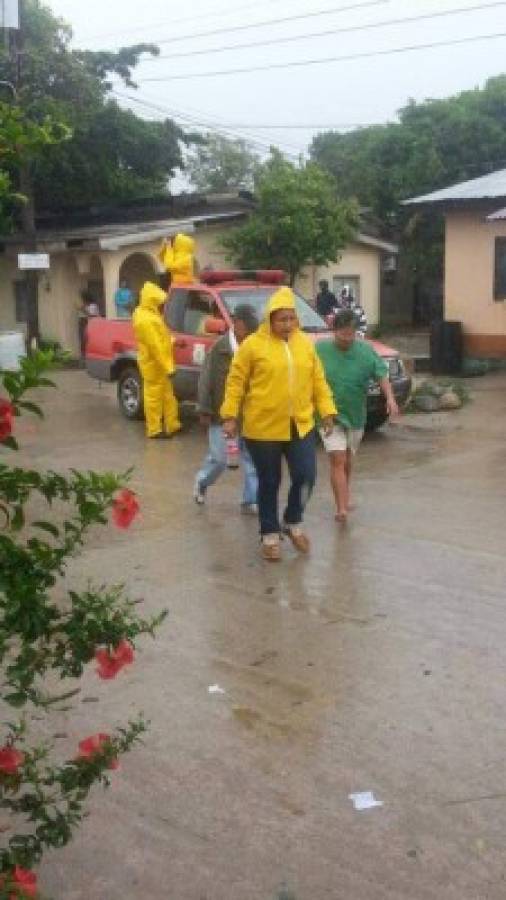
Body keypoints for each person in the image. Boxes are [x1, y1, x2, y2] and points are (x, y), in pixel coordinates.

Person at [221, 286, 336, 562]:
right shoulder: (253, 345)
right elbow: (236, 381)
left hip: (300, 424)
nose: (287, 324)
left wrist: (327, 410)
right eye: (281, 319)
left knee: (307, 475)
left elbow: (318, 380)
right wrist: (230, 415)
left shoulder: (305, 344)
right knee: (270, 481)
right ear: (270, 319)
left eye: (291, 318)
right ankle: (270, 534)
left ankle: (293, 520)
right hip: (263, 428)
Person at [316, 309, 399, 524]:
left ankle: (345, 492)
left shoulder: (365, 351)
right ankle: (341, 508)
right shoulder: (320, 350)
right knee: (337, 458)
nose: (346, 339)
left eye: (350, 334)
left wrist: (390, 398)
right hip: (329, 415)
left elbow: (381, 374)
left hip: (355, 414)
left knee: (348, 459)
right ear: (334, 331)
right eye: (342, 334)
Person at [193, 305, 259, 512]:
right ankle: (202, 482)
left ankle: (250, 500)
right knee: (220, 458)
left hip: (250, 416)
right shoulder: (219, 349)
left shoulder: (255, 347)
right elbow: (205, 380)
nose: (249, 335)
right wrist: (204, 408)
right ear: (237, 324)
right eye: (248, 330)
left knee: (252, 459)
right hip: (222, 414)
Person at [132, 281, 181, 440]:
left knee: (167, 396)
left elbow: (162, 337)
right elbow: (155, 346)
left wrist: (173, 341)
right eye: (159, 302)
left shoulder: (147, 314)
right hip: (154, 364)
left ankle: (172, 424)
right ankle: (154, 430)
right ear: (152, 301)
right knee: (154, 398)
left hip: (157, 364)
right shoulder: (147, 320)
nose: (162, 305)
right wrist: (169, 367)